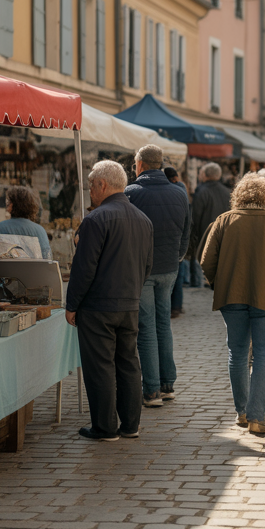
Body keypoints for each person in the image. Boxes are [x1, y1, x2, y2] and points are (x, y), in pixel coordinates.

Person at [202, 174, 265, 434]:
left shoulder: (224, 220)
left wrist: (221, 282)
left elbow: (206, 261)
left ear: (238, 195)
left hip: (231, 296)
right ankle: (258, 416)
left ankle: (242, 412)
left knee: (237, 352)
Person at [66, 160, 153, 441]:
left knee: (100, 366)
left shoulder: (96, 219)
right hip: (129, 303)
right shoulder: (143, 219)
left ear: (102, 184)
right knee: (128, 363)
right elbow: (147, 265)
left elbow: (84, 269)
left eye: (91, 185)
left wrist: (72, 305)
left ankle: (104, 427)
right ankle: (130, 425)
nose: (90, 191)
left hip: (98, 306)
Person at [125, 145, 191, 408]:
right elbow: (187, 230)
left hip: (143, 268)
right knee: (163, 324)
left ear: (140, 165)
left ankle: (152, 390)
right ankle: (167, 385)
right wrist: (178, 256)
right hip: (168, 267)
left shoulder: (131, 192)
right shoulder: (179, 192)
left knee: (147, 327)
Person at [188, 162, 231, 287]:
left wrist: (192, 236)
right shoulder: (227, 192)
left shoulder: (201, 192)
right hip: (224, 235)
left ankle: (201, 283)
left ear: (205, 175)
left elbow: (195, 217)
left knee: (202, 265)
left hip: (204, 236)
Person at [0, 186, 52, 259]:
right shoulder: (40, 231)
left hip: (8, 267)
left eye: (9, 202)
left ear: (12, 205)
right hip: (35, 267)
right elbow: (47, 258)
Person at [164, 167, 189, 318]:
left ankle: (172, 306)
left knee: (174, 276)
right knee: (178, 275)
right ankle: (177, 306)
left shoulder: (172, 190)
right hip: (179, 237)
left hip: (171, 237)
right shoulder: (182, 189)